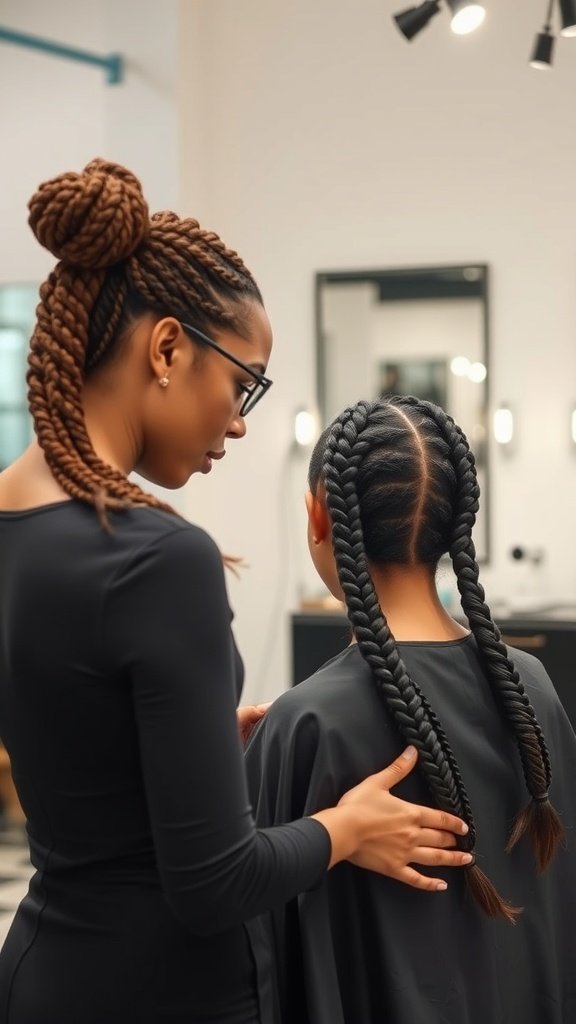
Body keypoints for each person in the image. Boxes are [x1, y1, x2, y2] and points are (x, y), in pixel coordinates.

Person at [0, 162, 470, 1024]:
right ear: (168, 347)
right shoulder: (157, 557)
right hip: (165, 995)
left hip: (43, 973)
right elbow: (217, 884)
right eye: (244, 381)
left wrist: (186, 736)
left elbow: (67, 736)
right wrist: (346, 828)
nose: (242, 418)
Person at [245, 395, 576, 1024]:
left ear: (319, 516)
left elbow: (247, 933)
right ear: (454, 525)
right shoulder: (530, 687)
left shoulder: (307, 721)